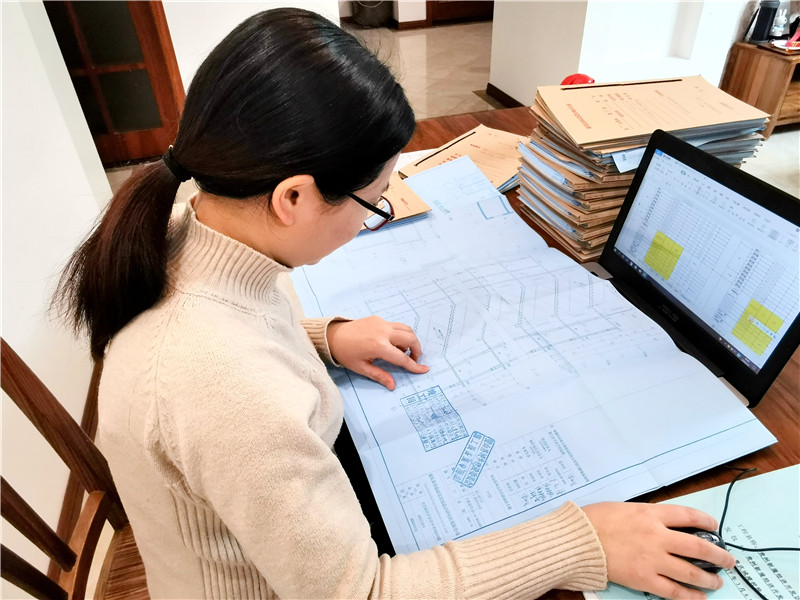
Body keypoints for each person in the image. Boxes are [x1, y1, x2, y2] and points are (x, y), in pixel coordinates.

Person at [55, 8, 735, 600]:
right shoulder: (224, 387)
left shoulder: (191, 219)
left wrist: (323, 337)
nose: (371, 218)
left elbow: (235, 329)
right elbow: (362, 592)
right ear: (293, 198)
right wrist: (580, 541)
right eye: (374, 202)